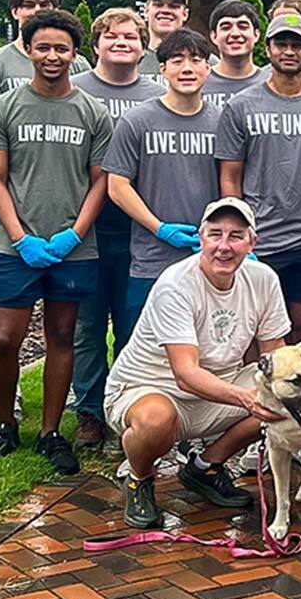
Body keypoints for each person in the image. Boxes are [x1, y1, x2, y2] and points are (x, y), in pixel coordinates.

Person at [0, 9, 113, 473]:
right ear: (29, 49)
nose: (52, 55)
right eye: (43, 47)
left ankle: (51, 432)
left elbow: (100, 181)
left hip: (73, 248)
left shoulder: (92, 113)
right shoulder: (4, 108)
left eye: (61, 48)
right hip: (15, 246)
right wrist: (20, 238)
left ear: (75, 53)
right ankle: (4, 425)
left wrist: (73, 234)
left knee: (62, 335)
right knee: (4, 338)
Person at [105, 198, 292, 529]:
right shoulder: (175, 284)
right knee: (155, 420)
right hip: (149, 390)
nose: (224, 246)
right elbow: (185, 375)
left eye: (236, 236)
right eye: (215, 234)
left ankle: (205, 467)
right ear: (200, 238)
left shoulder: (263, 279)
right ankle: (139, 478)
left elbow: (276, 357)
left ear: (252, 243)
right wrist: (247, 398)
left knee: (284, 393)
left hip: (217, 388)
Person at [94, 29, 224, 444]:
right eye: (177, 60)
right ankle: (136, 434)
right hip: (150, 258)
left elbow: (231, 183)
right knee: (139, 347)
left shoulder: (223, 120)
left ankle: (197, 435)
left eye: (197, 59)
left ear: (209, 66)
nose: (187, 68)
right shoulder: (139, 120)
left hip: (207, 261)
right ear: (162, 68)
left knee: (204, 349)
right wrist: (158, 226)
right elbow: (117, 185)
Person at [67, 8, 168, 445]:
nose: (121, 43)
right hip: (86, 229)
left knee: (135, 326)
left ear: (144, 47)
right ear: (96, 45)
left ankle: (129, 405)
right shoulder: (75, 91)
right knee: (86, 327)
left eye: (130, 37)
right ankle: (89, 409)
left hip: (139, 232)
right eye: (111, 37)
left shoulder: (157, 94)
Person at [218, 11, 301, 340]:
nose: (289, 51)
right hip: (262, 236)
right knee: (254, 330)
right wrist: (238, 232)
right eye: (281, 44)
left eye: (298, 45)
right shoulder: (241, 106)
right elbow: (230, 176)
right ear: (268, 48)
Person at [0, 0, 90, 90]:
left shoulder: (78, 65)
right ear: (14, 12)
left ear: (56, 10)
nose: (37, 11)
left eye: (44, 5)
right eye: (29, 5)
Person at [202, 0, 265, 109]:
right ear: (213, 36)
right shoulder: (198, 83)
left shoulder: (271, 84)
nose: (235, 34)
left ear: (256, 35)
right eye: (226, 27)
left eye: (243, 27)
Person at [135, 0, 194, 78]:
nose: (165, 11)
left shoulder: (202, 59)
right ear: (146, 11)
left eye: (174, 6)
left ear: (185, 14)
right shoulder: (130, 58)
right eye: (158, 5)